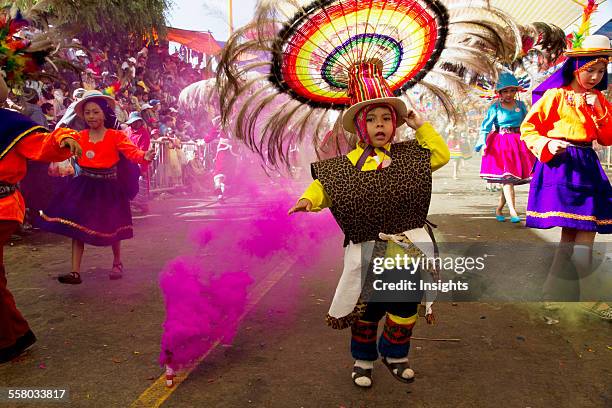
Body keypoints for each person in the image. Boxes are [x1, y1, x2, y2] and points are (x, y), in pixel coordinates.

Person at [289, 61, 449, 388]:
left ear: (396, 124)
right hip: (367, 254)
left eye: (387, 118)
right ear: (359, 127)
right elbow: (325, 187)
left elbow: (442, 155)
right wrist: (308, 200)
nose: (380, 125)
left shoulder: (412, 156)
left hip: (406, 253)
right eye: (372, 119)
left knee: (404, 306)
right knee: (367, 311)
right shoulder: (343, 168)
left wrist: (421, 125)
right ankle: (363, 361)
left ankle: (395, 353)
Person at [520, 35, 611, 319]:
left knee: (571, 238)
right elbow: (529, 129)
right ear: (576, 67)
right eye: (590, 70)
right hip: (561, 166)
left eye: (601, 71)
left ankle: (549, 294)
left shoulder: (599, 100)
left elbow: (607, 138)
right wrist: (547, 144)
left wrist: (599, 111)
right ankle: (590, 297)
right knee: (583, 235)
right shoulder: (554, 97)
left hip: (587, 166)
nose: (595, 77)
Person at [0, 74, 81, 363]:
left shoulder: (11, 124)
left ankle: (12, 338)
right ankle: (15, 336)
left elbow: (45, 145)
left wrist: (65, 138)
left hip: (3, 207)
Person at [38, 91, 156, 284]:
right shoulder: (79, 136)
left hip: (109, 187)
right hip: (84, 186)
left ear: (104, 114)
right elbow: (57, 137)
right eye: (87, 113)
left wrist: (145, 156)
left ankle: (117, 262)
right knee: (77, 227)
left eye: (95, 112)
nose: (91, 116)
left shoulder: (116, 136)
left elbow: (133, 153)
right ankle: (75, 271)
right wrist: (62, 139)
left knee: (113, 227)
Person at [475, 72, 536, 223]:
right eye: (505, 91)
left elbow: (528, 123)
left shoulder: (521, 106)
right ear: (499, 93)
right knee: (507, 179)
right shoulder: (495, 108)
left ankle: (499, 209)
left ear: (516, 91)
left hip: (519, 145)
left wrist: (534, 140)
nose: (509, 94)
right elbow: (485, 127)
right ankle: (514, 212)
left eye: (512, 90)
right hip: (501, 145)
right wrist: (482, 143)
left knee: (509, 179)